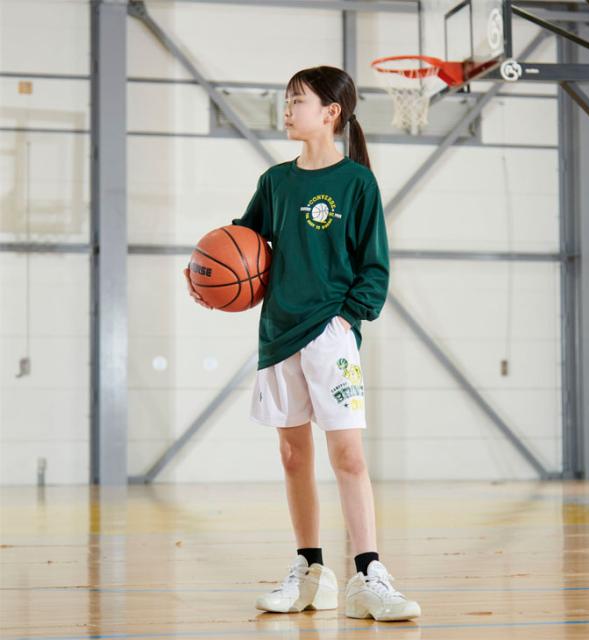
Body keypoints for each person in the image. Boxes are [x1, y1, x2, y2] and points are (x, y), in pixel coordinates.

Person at [184, 65, 420, 622]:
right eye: (287, 101)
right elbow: (240, 245)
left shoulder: (357, 183)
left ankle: (369, 575)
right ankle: (311, 572)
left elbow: (375, 267)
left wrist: (346, 320)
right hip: (278, 333)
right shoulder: (275, 182)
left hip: (330, 333)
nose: (287, 110)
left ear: (331, 112)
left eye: (297, 101)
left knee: (349, 456)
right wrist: (206, 280)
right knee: (293, 457)